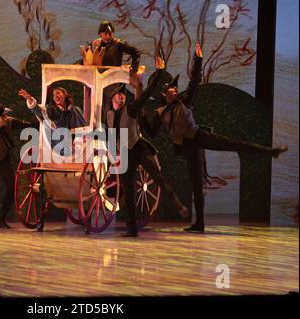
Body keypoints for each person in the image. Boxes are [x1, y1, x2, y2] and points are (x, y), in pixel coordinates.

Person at [146, 43, 288, 233]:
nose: (174, 90)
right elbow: (152, 132)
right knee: (196, 184)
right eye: (171, 89)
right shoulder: (160, 112)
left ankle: (271, 151)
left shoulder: (185, 101)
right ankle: (200, 223)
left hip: (199, 136)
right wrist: (140, 118)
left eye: (174, 88)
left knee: (234, 144)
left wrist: (198, 59)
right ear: (164, 94)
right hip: (187, 146)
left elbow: (195, 81)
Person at [106, 71, 188, 237]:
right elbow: (111, 136)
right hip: (125, 153)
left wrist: (157, 73)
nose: (122, 97)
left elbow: (145, 94)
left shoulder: (131, 108)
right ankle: (132, 228)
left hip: (139, 148)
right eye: (119, 94)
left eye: (123, 94)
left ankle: (178, 204)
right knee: (128, 190)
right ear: (112, 98)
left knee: (157, 177)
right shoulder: (108, 115)